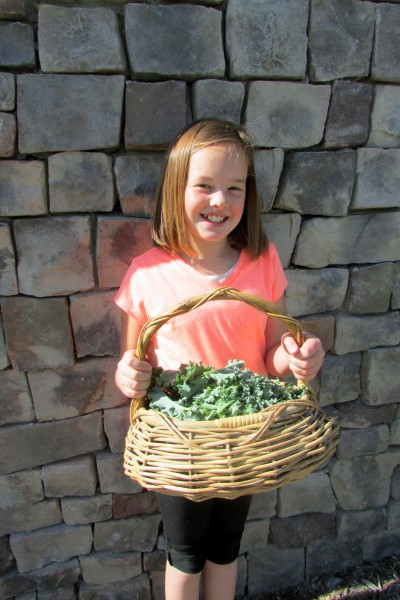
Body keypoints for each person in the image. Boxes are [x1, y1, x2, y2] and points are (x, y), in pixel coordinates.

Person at [114, 119, 325, 600]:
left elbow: (275, 354)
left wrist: (298, 358)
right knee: (186, 550)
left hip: (243, 439)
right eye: (205, 186)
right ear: (176, 189)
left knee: (226, 545)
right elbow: (132, 362)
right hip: (180, 444)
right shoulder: (148, 273)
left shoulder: (262, 259)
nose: (220, 201)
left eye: (235, 188)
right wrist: (128, 374)